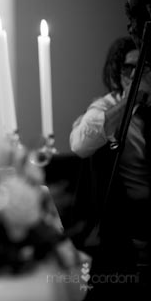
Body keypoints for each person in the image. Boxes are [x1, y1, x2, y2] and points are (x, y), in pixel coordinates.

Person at [69, 35, 151, 300]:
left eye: (144, 67)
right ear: (118, 71)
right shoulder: (107, 104)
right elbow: (80, 144)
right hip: (125, 226)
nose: (136, 74)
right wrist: (131, 100)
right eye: (129, 68)